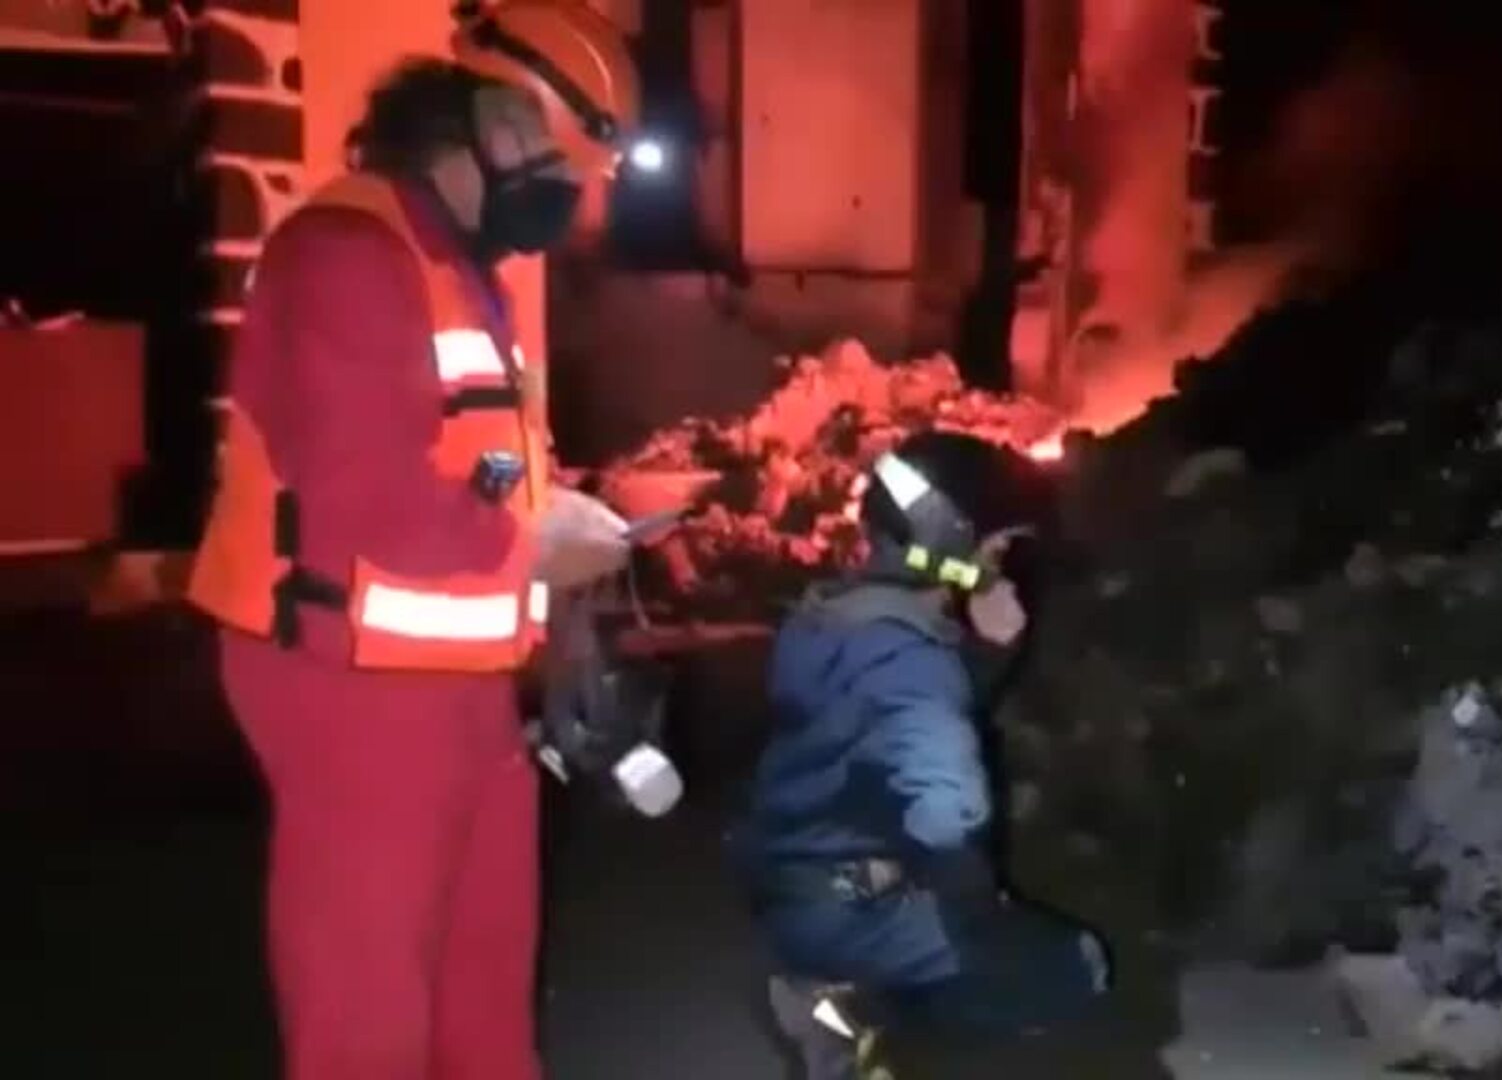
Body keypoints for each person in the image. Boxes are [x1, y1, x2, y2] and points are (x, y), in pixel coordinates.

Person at [185, 3, 645, 1076]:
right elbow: (371, 506)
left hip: (459, 690)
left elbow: (479, 473)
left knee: (483, 998)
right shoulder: (345, 254)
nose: (579, 196)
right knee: (369, 1018)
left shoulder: (461, 274)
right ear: (490, 125)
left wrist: (558, 568)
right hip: (349, 688)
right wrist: (535, 546)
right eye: (566, 163)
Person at [737, 431, 1113, 1079]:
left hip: (788, 886)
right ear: (948, 538)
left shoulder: (829, 616)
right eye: (995, 542)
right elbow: (946, 811)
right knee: (1074, 966)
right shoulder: (911, 660)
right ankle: (846, 1018)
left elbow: (891, 711)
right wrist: (982, 919)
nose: (999, 556)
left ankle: (832, 988)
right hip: (855, 909)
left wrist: (992, 650)